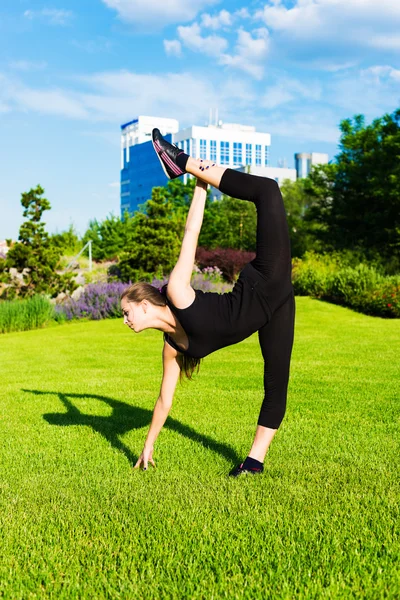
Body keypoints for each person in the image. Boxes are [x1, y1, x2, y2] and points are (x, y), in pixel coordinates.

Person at [120, 128, 295, 477]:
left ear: (144, 304)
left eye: (126, 312)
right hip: (276, 307)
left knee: (268, 190)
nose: (125, 320)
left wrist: (198, 177)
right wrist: (148, 444)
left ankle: (182, 161)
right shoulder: (171, 347)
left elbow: (191, 234)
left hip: (266, 281)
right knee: (276, 384)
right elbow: (164, 400)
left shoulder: (178, 294)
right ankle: (254, 463)